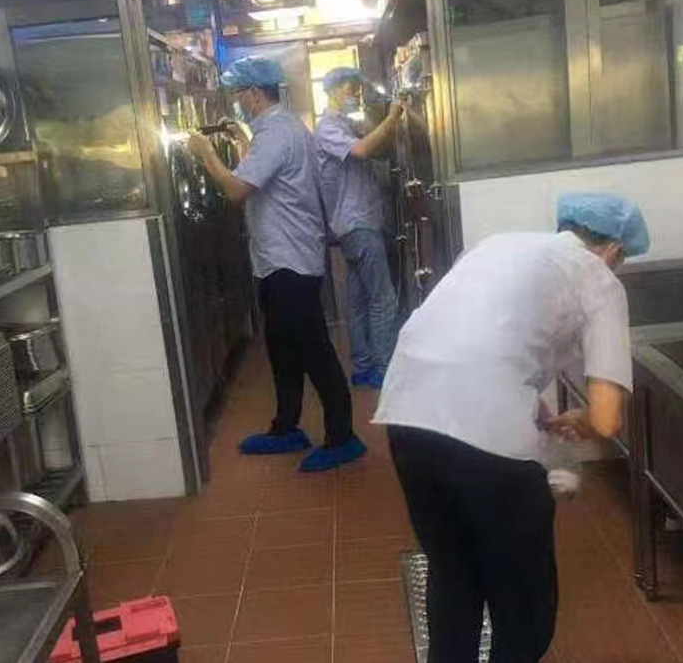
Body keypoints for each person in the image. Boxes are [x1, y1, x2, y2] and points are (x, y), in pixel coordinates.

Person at [373, 192, 651, 662]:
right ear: (614, 251)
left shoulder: (498, 245)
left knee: (453, 576)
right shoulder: (598, 278)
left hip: (407, 416)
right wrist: (583, 420)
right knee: (525, 609)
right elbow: (607, 418)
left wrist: (535, 411)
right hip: (487, 444)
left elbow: (477, 342)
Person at [187, 56, 366, 473]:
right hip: (279, 258)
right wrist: (241, 141)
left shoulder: (276, 134)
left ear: (253, 93)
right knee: (283, 348)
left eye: (238, 94)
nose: (237, 101)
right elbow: (262, 174)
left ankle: (344, 437)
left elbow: (237, 190)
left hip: (290, 261)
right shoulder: (281, 128)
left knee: (313, 349)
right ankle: (286, 427)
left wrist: (206, 153)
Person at [314, 67, 403, 390]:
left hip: (355, 224)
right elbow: (363, 150)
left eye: (357, 89)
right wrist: (392, 117)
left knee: (359, 301)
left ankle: (364, 366)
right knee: (382, 299)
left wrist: (382, 121)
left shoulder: (346, 124)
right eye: (350, 88)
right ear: (333, 89)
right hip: (358, 224)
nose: (355, 94)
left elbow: (375, 146)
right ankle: (384, 368)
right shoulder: (327, 128)